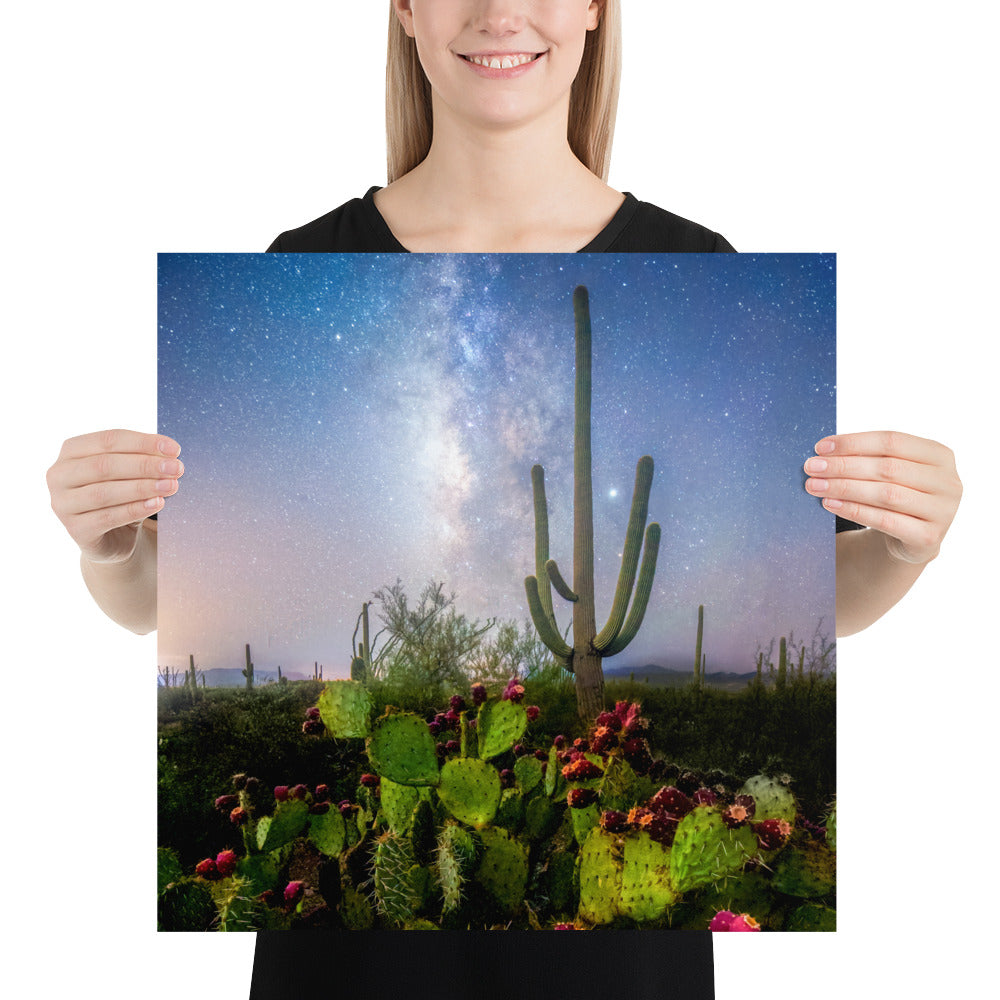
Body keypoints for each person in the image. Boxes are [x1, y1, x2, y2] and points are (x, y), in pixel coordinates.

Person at [44, 1, 962, 997]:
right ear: (402, 9)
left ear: (596, 9)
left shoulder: (703, 258)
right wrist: (111, 548)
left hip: (617, 968)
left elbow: (837, 593)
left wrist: (905, 546)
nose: (498, 9)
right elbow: (146, 604)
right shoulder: (301, 248)